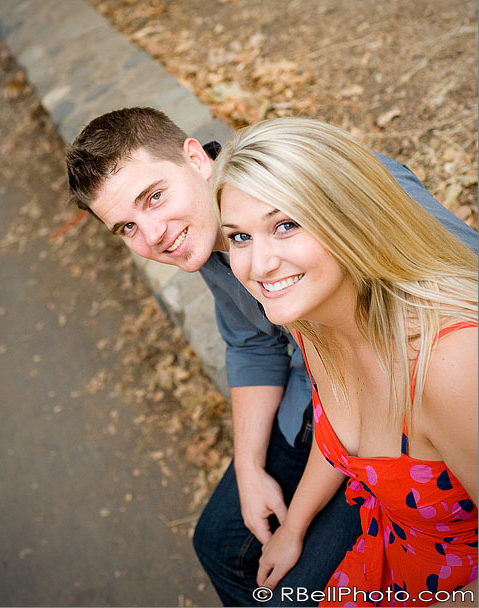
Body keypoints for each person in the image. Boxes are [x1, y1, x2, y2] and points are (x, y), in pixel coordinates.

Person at [66, 107, 478, 607]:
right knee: (219, 545)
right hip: (332, 417)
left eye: (154, 197)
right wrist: (248, 466)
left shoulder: (321, 193)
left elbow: (456, 273)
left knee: (285, 595)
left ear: (195, 158)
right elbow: (252, 343)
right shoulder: (250, 272)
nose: (151, 235)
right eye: (127, 227)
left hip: (409, 437)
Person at [212, 116, 478, 607]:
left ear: (349, 216)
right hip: (390, 550)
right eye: (240, 238)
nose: (259, 264)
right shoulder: (311, 319)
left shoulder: (450, 366)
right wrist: (293, 526)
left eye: (285, 225)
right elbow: (337, 434)